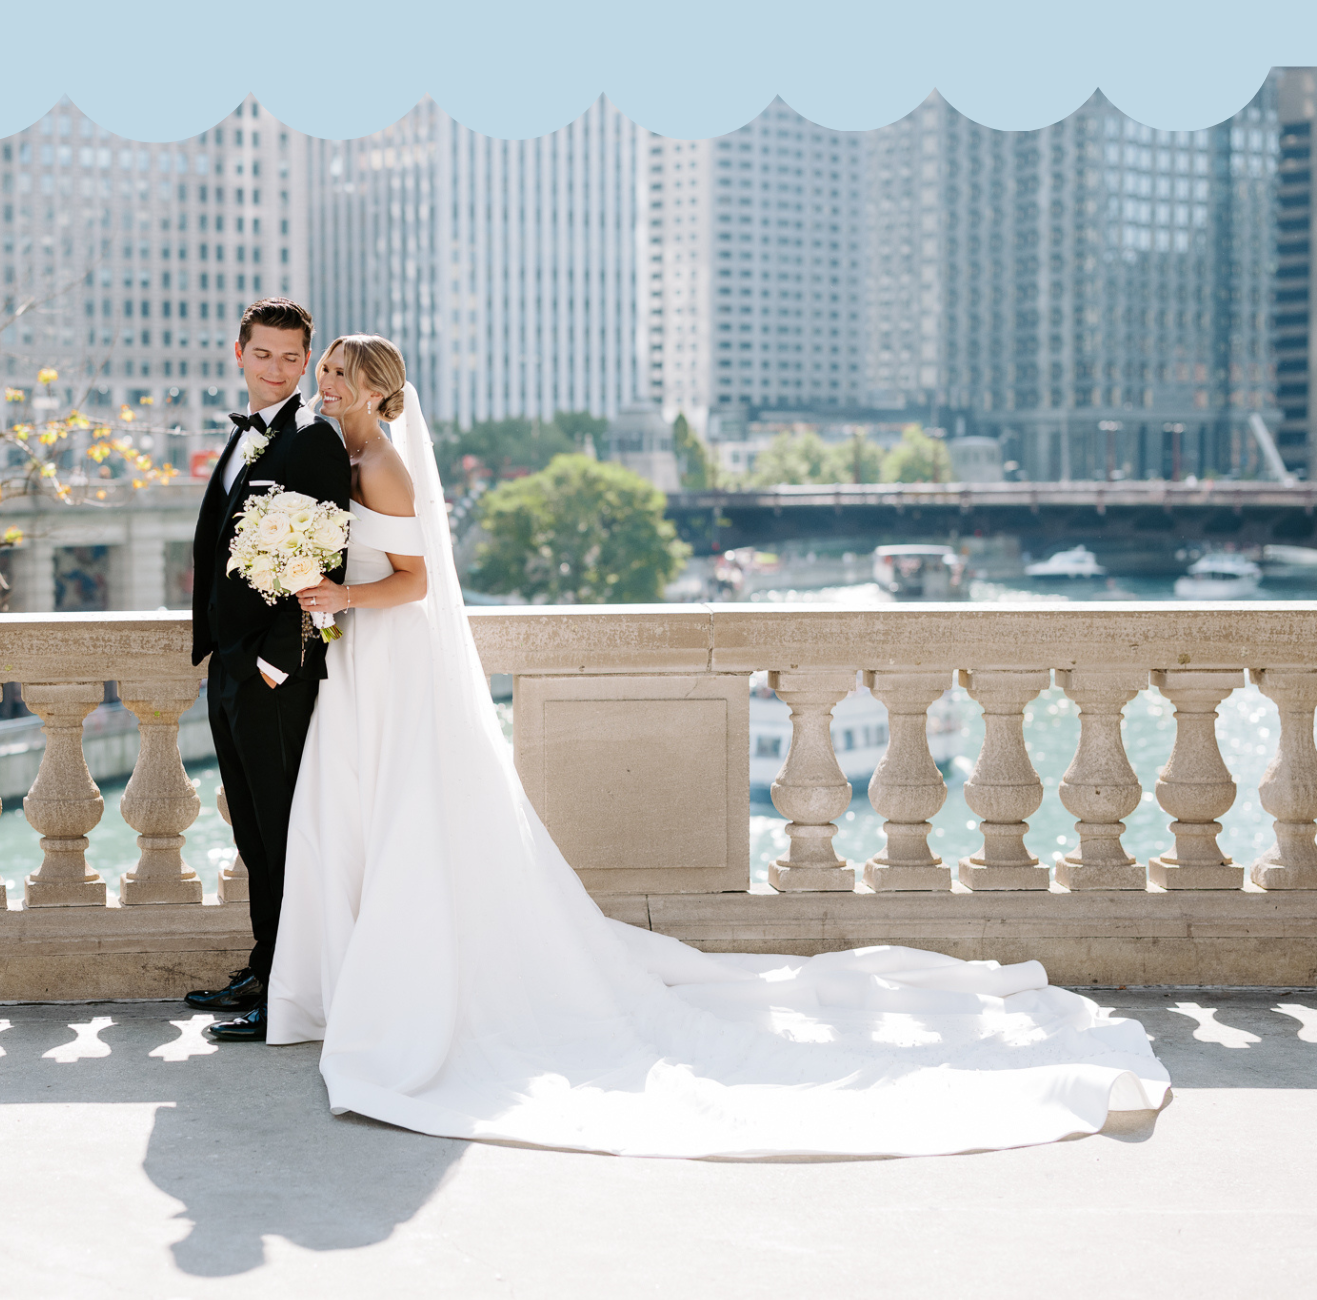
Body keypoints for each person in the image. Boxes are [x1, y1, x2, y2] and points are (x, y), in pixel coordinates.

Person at [253, 334, 1170, 1158]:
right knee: (352, 807)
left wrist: (337, 599)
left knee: (404, 811)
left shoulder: (387, 472)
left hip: (392, 658)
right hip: (360, 665)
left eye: (338, 371)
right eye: (323, 370)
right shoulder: (347, 454)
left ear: (377, 388)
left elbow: (412, 585)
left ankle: (399, 997)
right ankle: (344, 984)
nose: (324, 382)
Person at [184, 299, 351, 1043]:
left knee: (283, 835)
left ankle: (288, 995)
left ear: (306, 362)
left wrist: (277, 666)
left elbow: (326, 562)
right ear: (240, 353)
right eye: (264, 355)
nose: (277, 369)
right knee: (252, 833)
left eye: (292, 358)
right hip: (227, 669)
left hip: (272, 678)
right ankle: (264, 964)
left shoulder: (313, 440)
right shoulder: (243, 439)